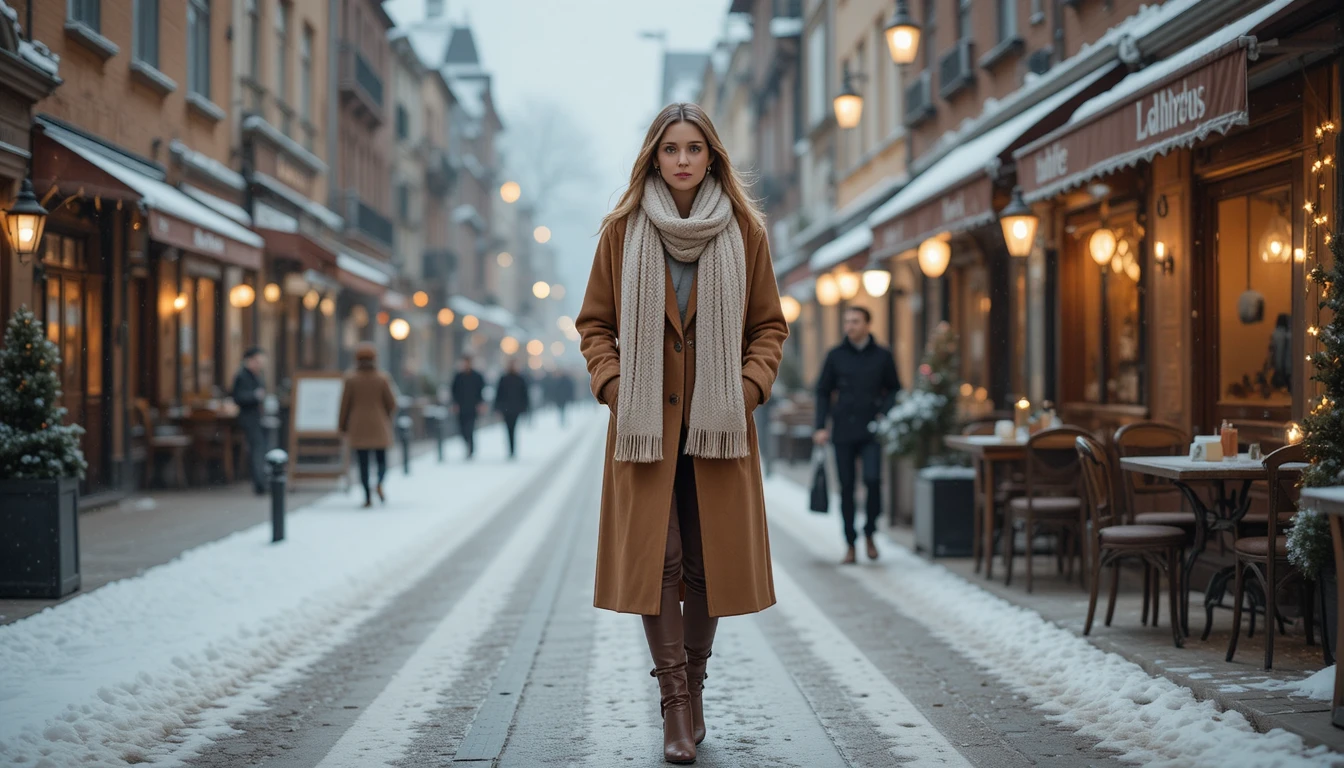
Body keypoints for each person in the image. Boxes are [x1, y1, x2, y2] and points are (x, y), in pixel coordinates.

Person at [577, 102, 787, 764]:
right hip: (646, 433)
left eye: (695, 147)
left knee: (706, 564)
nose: (684, 159)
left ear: (712, 155)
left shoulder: (744, 230)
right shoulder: (622, 231)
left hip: (719, 432)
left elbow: (768, 328)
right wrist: (616, 390)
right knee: (659, 563)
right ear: (654, 157)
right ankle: (673, 704)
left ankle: (695, 690)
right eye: (671, 149)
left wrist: (746, 392)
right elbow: (594, 327)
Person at [814, 305, 902, 565]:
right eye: (847, 321)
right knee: (847, 487)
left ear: (867, 324)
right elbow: (821, 391)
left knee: (874, 481)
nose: (849, 326)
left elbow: (895, 388)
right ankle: (850, 543)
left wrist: (883, 413)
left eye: (855, 321)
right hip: (842, 430)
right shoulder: (836, 355)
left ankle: (870, 533)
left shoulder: (883, 356)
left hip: (872, 431)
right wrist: (820, 426)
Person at [338, 343, 397, 507]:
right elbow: (392, 403)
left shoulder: (351, 379)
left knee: (363, 463)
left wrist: (342, 425)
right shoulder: (381, 378)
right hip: (379, 425)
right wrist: (384, 415)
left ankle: (367, 497)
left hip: (358, 426)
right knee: (381, 460)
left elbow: (345, 405)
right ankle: (379, 482)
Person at [231, 347, 269, 496]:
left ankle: (262, 481)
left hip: (256, 417)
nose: (260, 365)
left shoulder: (257, 375)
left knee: (260, 448)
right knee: (257, 449)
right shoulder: (242, 376)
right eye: (257, 361)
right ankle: (259, 483)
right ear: (249, 360)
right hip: (249, 418)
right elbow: (237, 397)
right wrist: (254, 396)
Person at [494, 359, 531, 458]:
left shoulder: (520, 379)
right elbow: (499, 394)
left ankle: (512, 449)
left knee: (513, 428)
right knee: (508, 429)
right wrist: (497, 407)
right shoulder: (504, 378)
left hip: (515, 408)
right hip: (506, 408)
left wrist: (525, 407)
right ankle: (511, 449)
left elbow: (524, 394)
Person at [451, 355, 486, 459]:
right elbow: (454, 391)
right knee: (462, 428)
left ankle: (471, 448)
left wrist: (481, 404)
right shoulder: (458, 376)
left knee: (470, 428)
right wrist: (455, 404)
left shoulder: (477, 376)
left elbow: (481, 391)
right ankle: (468, 445)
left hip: (472, 407)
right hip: (461, 407)